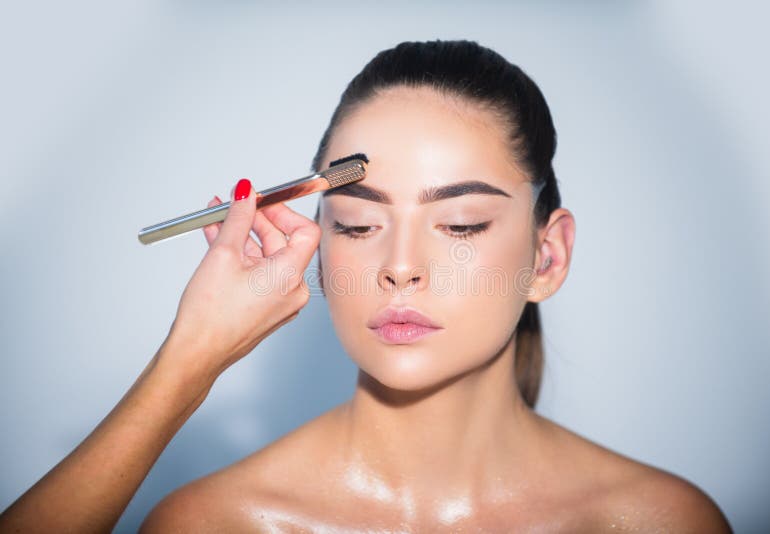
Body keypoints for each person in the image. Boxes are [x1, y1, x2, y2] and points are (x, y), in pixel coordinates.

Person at [0, 40, 732, 533]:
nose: (400, 266)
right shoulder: (216, 522)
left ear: (546, 257)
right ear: (315, 248)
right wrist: (187, 361)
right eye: (356, 225)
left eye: (463, 225)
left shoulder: (658, 520)